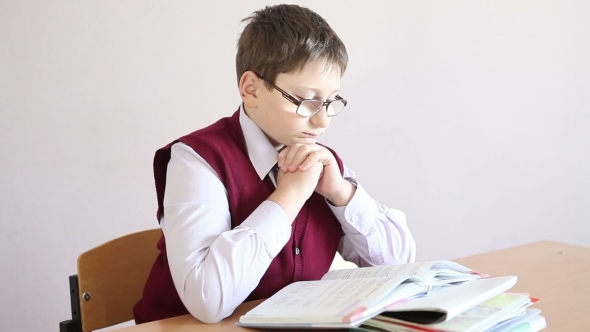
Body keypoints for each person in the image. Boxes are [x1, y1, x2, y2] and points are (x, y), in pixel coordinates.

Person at [133, 4, 416, 325]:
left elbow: (399, 265)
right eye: (306, 101)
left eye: (329, 101)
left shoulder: (323, 163)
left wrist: (341, 193)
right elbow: (207, 301)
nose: (322, 120)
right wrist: (289, 197)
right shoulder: (198, 159)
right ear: (251, 89)